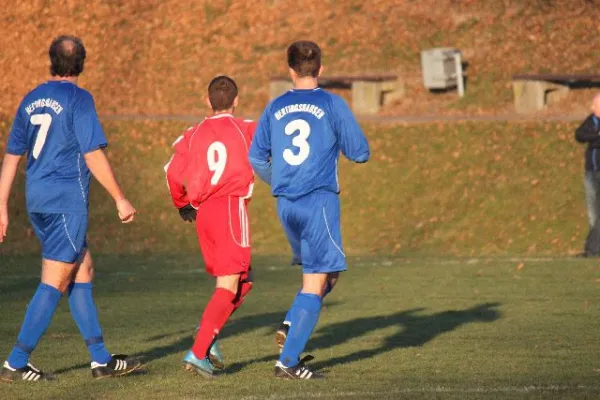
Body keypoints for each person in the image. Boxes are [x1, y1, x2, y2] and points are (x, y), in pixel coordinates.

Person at [0, 35, 141, 382]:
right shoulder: (79, 99)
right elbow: (92, 154)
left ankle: (100, 361)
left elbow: (12, 157)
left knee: (83, 270)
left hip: (38, 201)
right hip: (66, 203)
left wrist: (2, 206)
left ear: (51, 61)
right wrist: (120, 197)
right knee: (57, 279)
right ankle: (16, 363)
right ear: (82, 64)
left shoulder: (31, 99)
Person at [249, 40, 370, 379]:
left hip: (287, 205)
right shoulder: (332, 104)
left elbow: (256, 156)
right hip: (317, 202)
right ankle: (287, 362)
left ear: (290, 71)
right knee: (317, 283)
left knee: (325, 275)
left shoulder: (274, 106)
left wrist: (281, 180)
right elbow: (359, 152)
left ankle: (292, 323)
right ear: (321, 68)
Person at [165, 76, 255, 378]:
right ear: (236, 100)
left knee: (242, 281)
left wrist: (182, 204)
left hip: (204, 214)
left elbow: (172, 172)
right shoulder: (245, 129)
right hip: (230, 207)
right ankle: (199, 351)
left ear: (207, 101)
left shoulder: (193, 133)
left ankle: (207, 332)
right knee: (230, 285)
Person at [575, 93, 600, 257]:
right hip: (591, 171)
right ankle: (594, 247)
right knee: (593, 212)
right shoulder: (591, 121)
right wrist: (596, 136)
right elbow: (579, 135)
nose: (592, 108)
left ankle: (591, 249)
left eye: (595, 105)